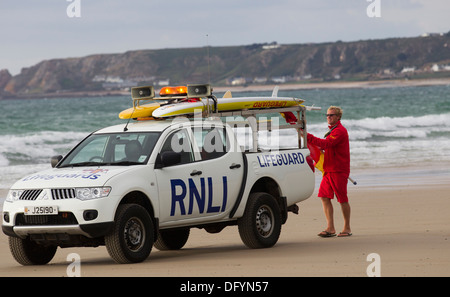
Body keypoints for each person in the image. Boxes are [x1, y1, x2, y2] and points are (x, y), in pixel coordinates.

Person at [307, 106, 352, 238]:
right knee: (324, 196)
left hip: (338, 169)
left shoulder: (339, 131)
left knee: (342, 199)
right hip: (329, 169)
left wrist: (308, 136)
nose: (329, 117)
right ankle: (330, 228)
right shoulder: (332, 130)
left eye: (331, 115)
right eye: (327, 115)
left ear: (338, 117)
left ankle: (347, 227)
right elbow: (326, 145)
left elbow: (327, 144)